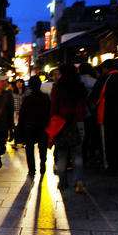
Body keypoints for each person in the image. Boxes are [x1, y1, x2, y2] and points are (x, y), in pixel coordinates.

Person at [89, 59, 118, 176]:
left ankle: (110, 167)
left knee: (108, 143)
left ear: (106, 68)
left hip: (106, 116)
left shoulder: (103, 80)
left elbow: (94, 98)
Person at [50, 63, 87, 192]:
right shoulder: (80, 88)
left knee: (62, 156)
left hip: (62, 124)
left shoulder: (58, 88)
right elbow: (83, 107)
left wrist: (52, 123)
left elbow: (54, 108)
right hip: (78, 123)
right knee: (77, 154)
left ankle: (63, 183)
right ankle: (79, 181)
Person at [19, 76, 50, 176]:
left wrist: (20, 127)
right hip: (43, 126)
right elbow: (49, 112)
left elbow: (22, 114)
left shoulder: (27, 99)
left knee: (29, 148)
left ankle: (31, 169)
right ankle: (42, 163)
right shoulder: (45, 98)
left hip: (29, 126)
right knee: (43, 146)